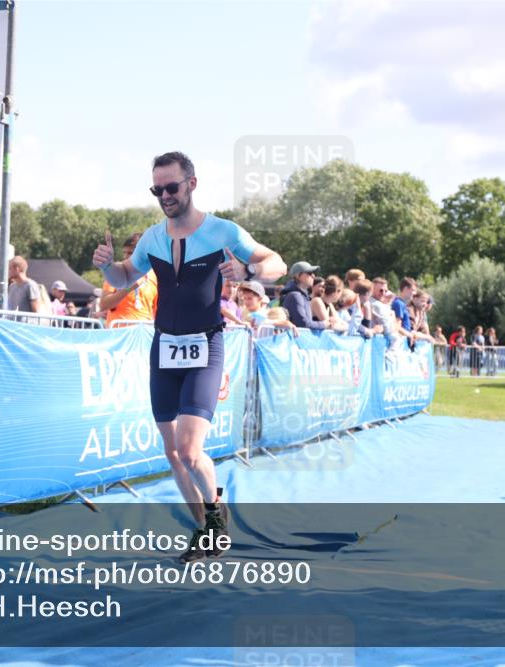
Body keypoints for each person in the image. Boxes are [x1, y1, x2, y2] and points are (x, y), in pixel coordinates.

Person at [92, 151, 286, 562]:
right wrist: (108, 268)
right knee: (173, 453)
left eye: (171, 187)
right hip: (163, 347)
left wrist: (248, 273)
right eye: (156, 189)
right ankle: (204, 527)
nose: (164, 195)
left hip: (205, 347)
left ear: (192, 184)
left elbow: (276, 262)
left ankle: (217, 519)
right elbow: (125, 278)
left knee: (191, 448)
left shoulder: (221, 231)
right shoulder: (152, 237)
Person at [101, 232, 158, 328]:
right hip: (119, 335)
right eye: (124, 252)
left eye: (130, 253)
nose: (125, 257)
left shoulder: (155, 275)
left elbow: (156, 311)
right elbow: (104, 305)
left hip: (144, 335)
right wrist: (129, 287)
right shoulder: (116, 271)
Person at [280, 262, 346, 333]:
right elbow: (303, 324)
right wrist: (323, 324)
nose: (313, 276)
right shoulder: (295, 295)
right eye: (309, 273)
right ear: (298, 275)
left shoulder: (301, 296)